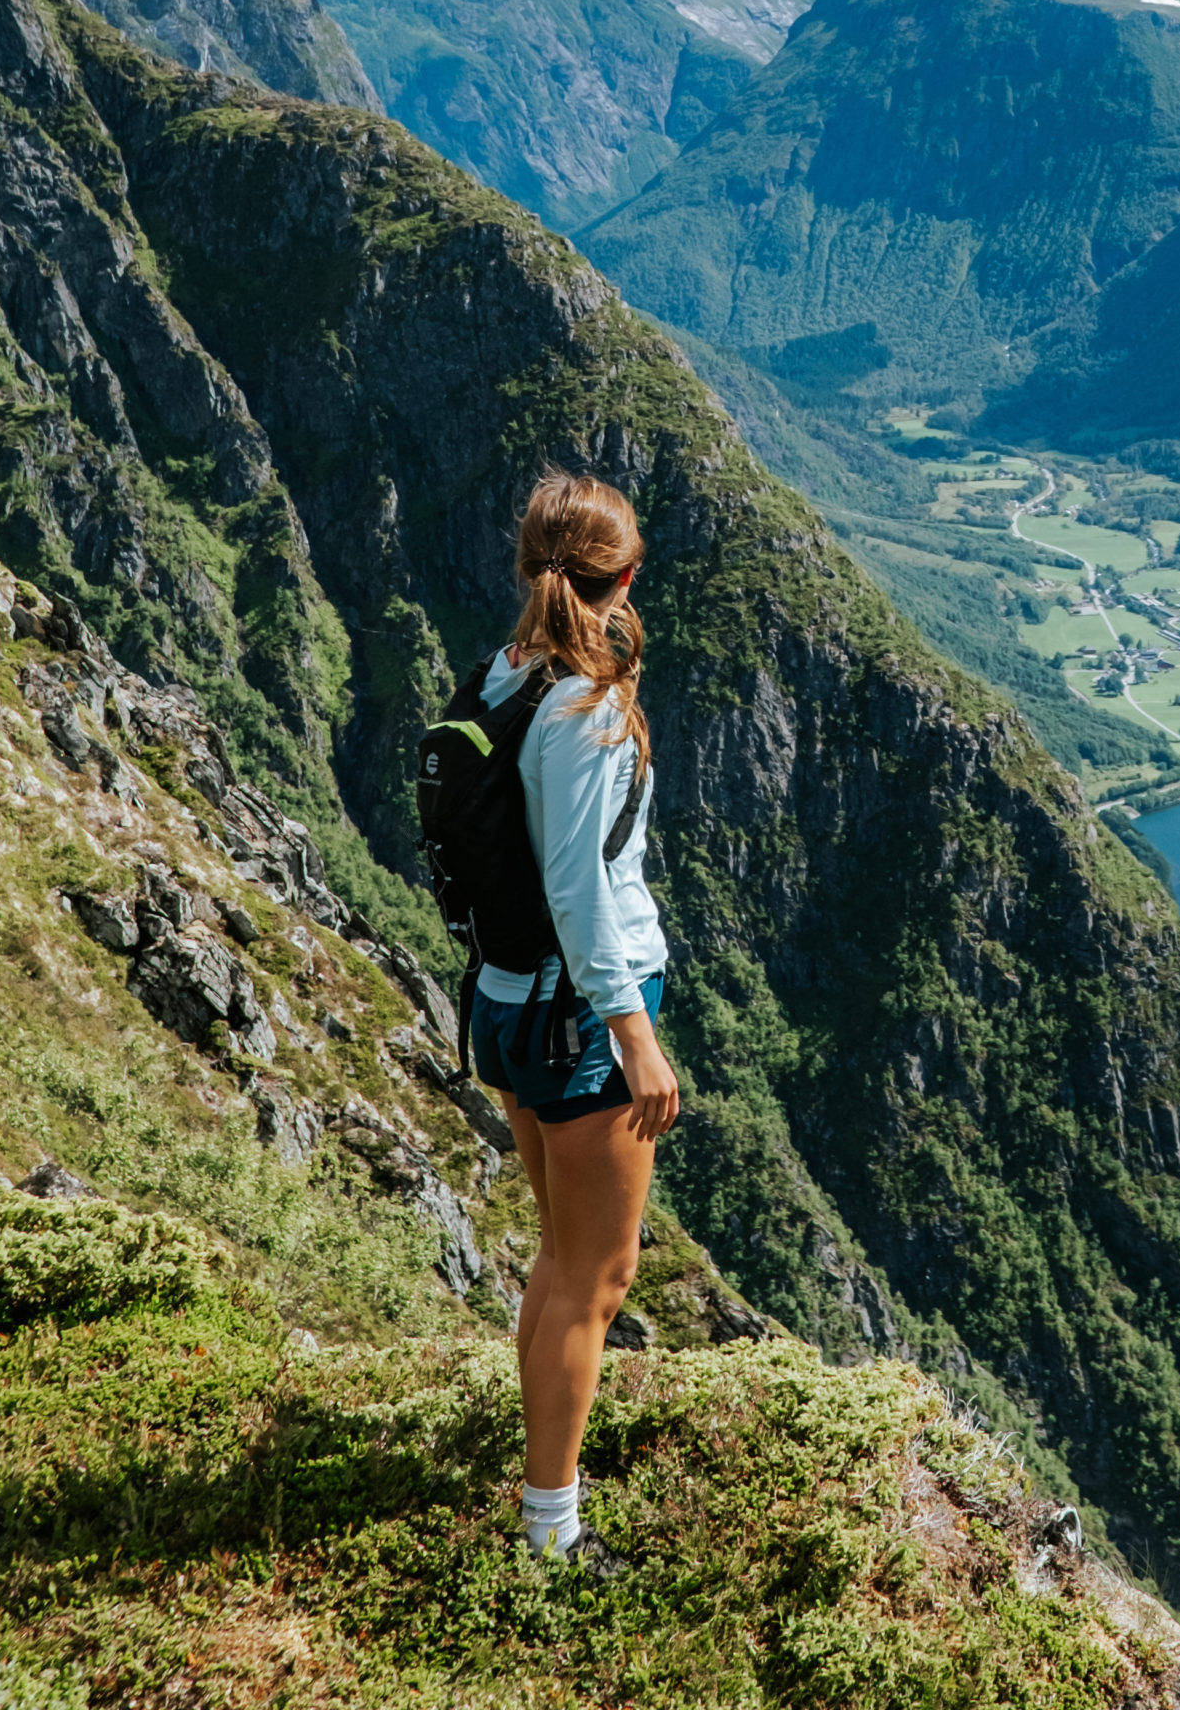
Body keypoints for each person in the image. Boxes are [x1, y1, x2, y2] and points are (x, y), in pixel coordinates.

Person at [466, 470, 680, 1571]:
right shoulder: (585, 710)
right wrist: (632, 1031)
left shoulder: (504, 676)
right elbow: (581, 885)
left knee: (560, 1261)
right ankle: (551, 1531)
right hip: (580, 1022)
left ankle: (544, 1472)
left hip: (505, 1005)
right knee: (598, 1281)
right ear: (625, 576)